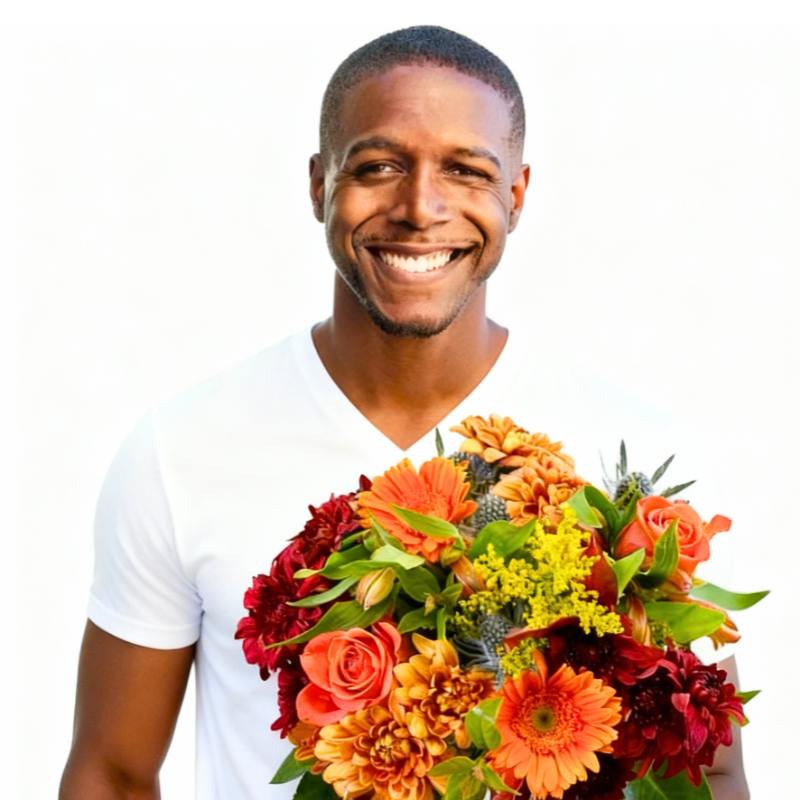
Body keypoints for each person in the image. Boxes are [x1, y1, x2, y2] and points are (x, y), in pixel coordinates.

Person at [59, 25, 749, 800]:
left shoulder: (632, 461)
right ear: (319, 184)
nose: (421, 208)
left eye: (465, 170)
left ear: (515, 195)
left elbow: (705, 766)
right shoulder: (180, 453)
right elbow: (112, 772)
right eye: (378, 166)